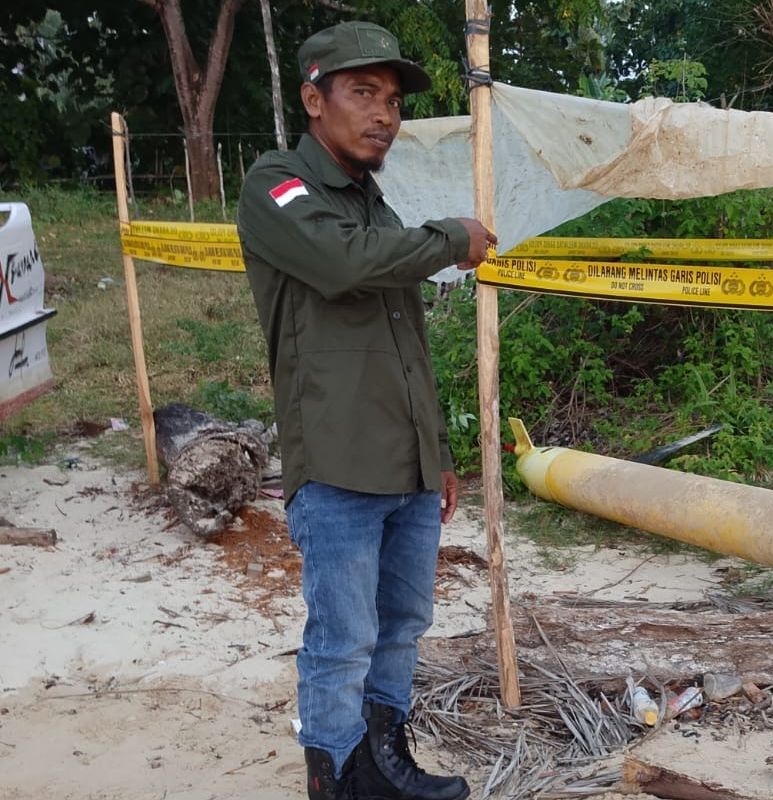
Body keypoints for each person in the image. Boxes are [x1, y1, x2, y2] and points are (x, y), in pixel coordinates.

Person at [236, 20, 495, 800]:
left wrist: (436, 453)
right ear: (313, 99)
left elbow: (406, 344)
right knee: (343, 637)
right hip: (339, 464)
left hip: (405, 466)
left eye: (392, 100)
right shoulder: (279, 184)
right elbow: (341, 263)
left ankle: (385, 763)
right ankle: (338, 778)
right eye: (363, 92)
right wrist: (449, 238)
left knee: (401, 625)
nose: (384, 114)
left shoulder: (375, 204)